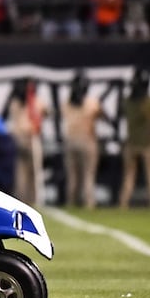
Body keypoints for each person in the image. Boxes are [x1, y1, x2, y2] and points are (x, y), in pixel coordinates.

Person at [118, 70, 150, 211]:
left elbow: (121, 110)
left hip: (132, 143)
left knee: (130, 177)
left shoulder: (127, 102)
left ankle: (123, 205)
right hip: (147, 144)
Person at [60, 71, 103, 209]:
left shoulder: (66, 102)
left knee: (73, 177)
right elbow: (101, 114)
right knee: (88, 176)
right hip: (86, 140)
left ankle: (71, 203)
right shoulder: (91, 102)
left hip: (71, 141)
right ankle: (89, 204)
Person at [6, 78, 47, 206]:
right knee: (29, 173)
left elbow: (45, 112)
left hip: (23, 138)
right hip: (27, 139)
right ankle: (30, 200)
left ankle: (26, 201)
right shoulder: (29, 102)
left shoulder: (21, 102)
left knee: (25, 174)